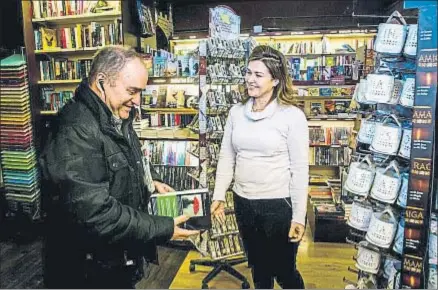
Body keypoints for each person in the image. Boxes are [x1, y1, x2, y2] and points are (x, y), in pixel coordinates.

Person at [39, 46, 199, 289]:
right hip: (88, 272)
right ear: (102, 82)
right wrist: (161, 228)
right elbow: (93, 212)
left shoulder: (115, 114)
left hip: (115, 262)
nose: (137, 101)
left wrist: (149, 179)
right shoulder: (74, 130)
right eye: (132, 91)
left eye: (140, 92)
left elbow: (125, 157)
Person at [210, 45, 309, 289]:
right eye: (248, 73)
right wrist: (219, 194)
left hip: (278, 205)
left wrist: (298, 216)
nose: (250, 80)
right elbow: (227, 156)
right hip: (244, 202)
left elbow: (300, 169)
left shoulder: (292, 116)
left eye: (258, 75)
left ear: (275, 79)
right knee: (258, 269)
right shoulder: (236, 113)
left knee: (284, 272)